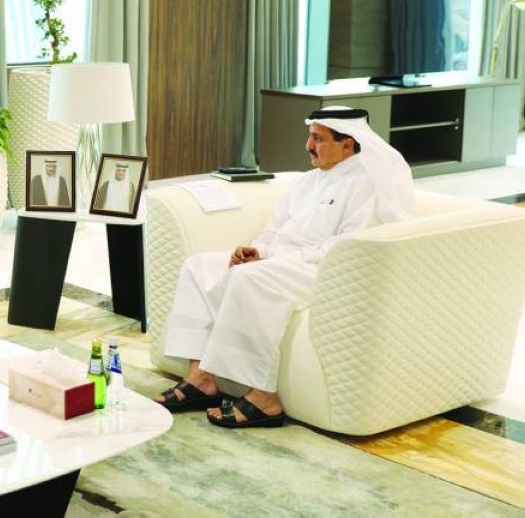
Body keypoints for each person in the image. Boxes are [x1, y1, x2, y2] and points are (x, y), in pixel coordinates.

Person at [155, 106, 413, 428]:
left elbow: (348, 245)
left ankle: (264, 398)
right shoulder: (306, 182)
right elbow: (274, 230)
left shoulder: (368, 186)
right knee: (199, 266)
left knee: (248, 279)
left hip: (323, 269)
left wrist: (274, 261)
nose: (308, 146)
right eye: (310, 137)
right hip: (278, 261)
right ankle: (201, 378)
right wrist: (256, 250)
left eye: (318, 139)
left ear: (347, 145)